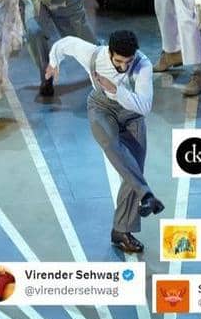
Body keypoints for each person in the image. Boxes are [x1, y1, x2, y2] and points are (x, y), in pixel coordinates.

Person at [46, 31, 164, 253]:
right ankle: (147, 195)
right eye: (118, 61)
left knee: (132, 167)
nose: (123, 67)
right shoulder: (93, 55)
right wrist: (54, 63)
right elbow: (66, 43)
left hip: (133, 115)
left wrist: (116, 90)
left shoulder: (144, 66)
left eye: (128, 62)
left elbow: (144, 107)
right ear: (110, 53)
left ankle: (121, 231)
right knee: (112, 145)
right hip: (101, 109)